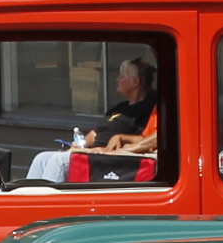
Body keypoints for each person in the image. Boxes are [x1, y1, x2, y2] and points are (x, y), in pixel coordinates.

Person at [24, 54, 167, 184]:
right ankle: (24, 205)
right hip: (94, 152)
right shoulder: (120, 107)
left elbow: (150, 138)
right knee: (42, 158)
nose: (117, 79)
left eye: (122, 76)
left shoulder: (150, 105)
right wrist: (80, 145)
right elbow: (95, 133)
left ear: (136, 82)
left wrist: (111, 147)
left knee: (58, 160)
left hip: (111, 157)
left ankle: (46, 208)